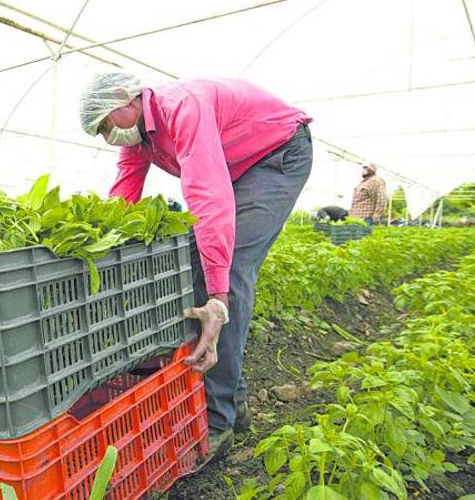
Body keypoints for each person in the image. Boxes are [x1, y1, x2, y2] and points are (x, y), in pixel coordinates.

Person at [80, 73, 312, 458]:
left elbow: (207, 194)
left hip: (277, 156)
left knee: (229, 267)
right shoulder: (139, 139)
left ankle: (217, 424)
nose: (109, 138)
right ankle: (234, 403)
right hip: (238, 166)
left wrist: (217, 298)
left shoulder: (182, 107)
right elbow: (123, 195)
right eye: (100, 134)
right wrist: (102, 242)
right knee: (192, 260)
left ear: (127, 99)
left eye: (106, 125)